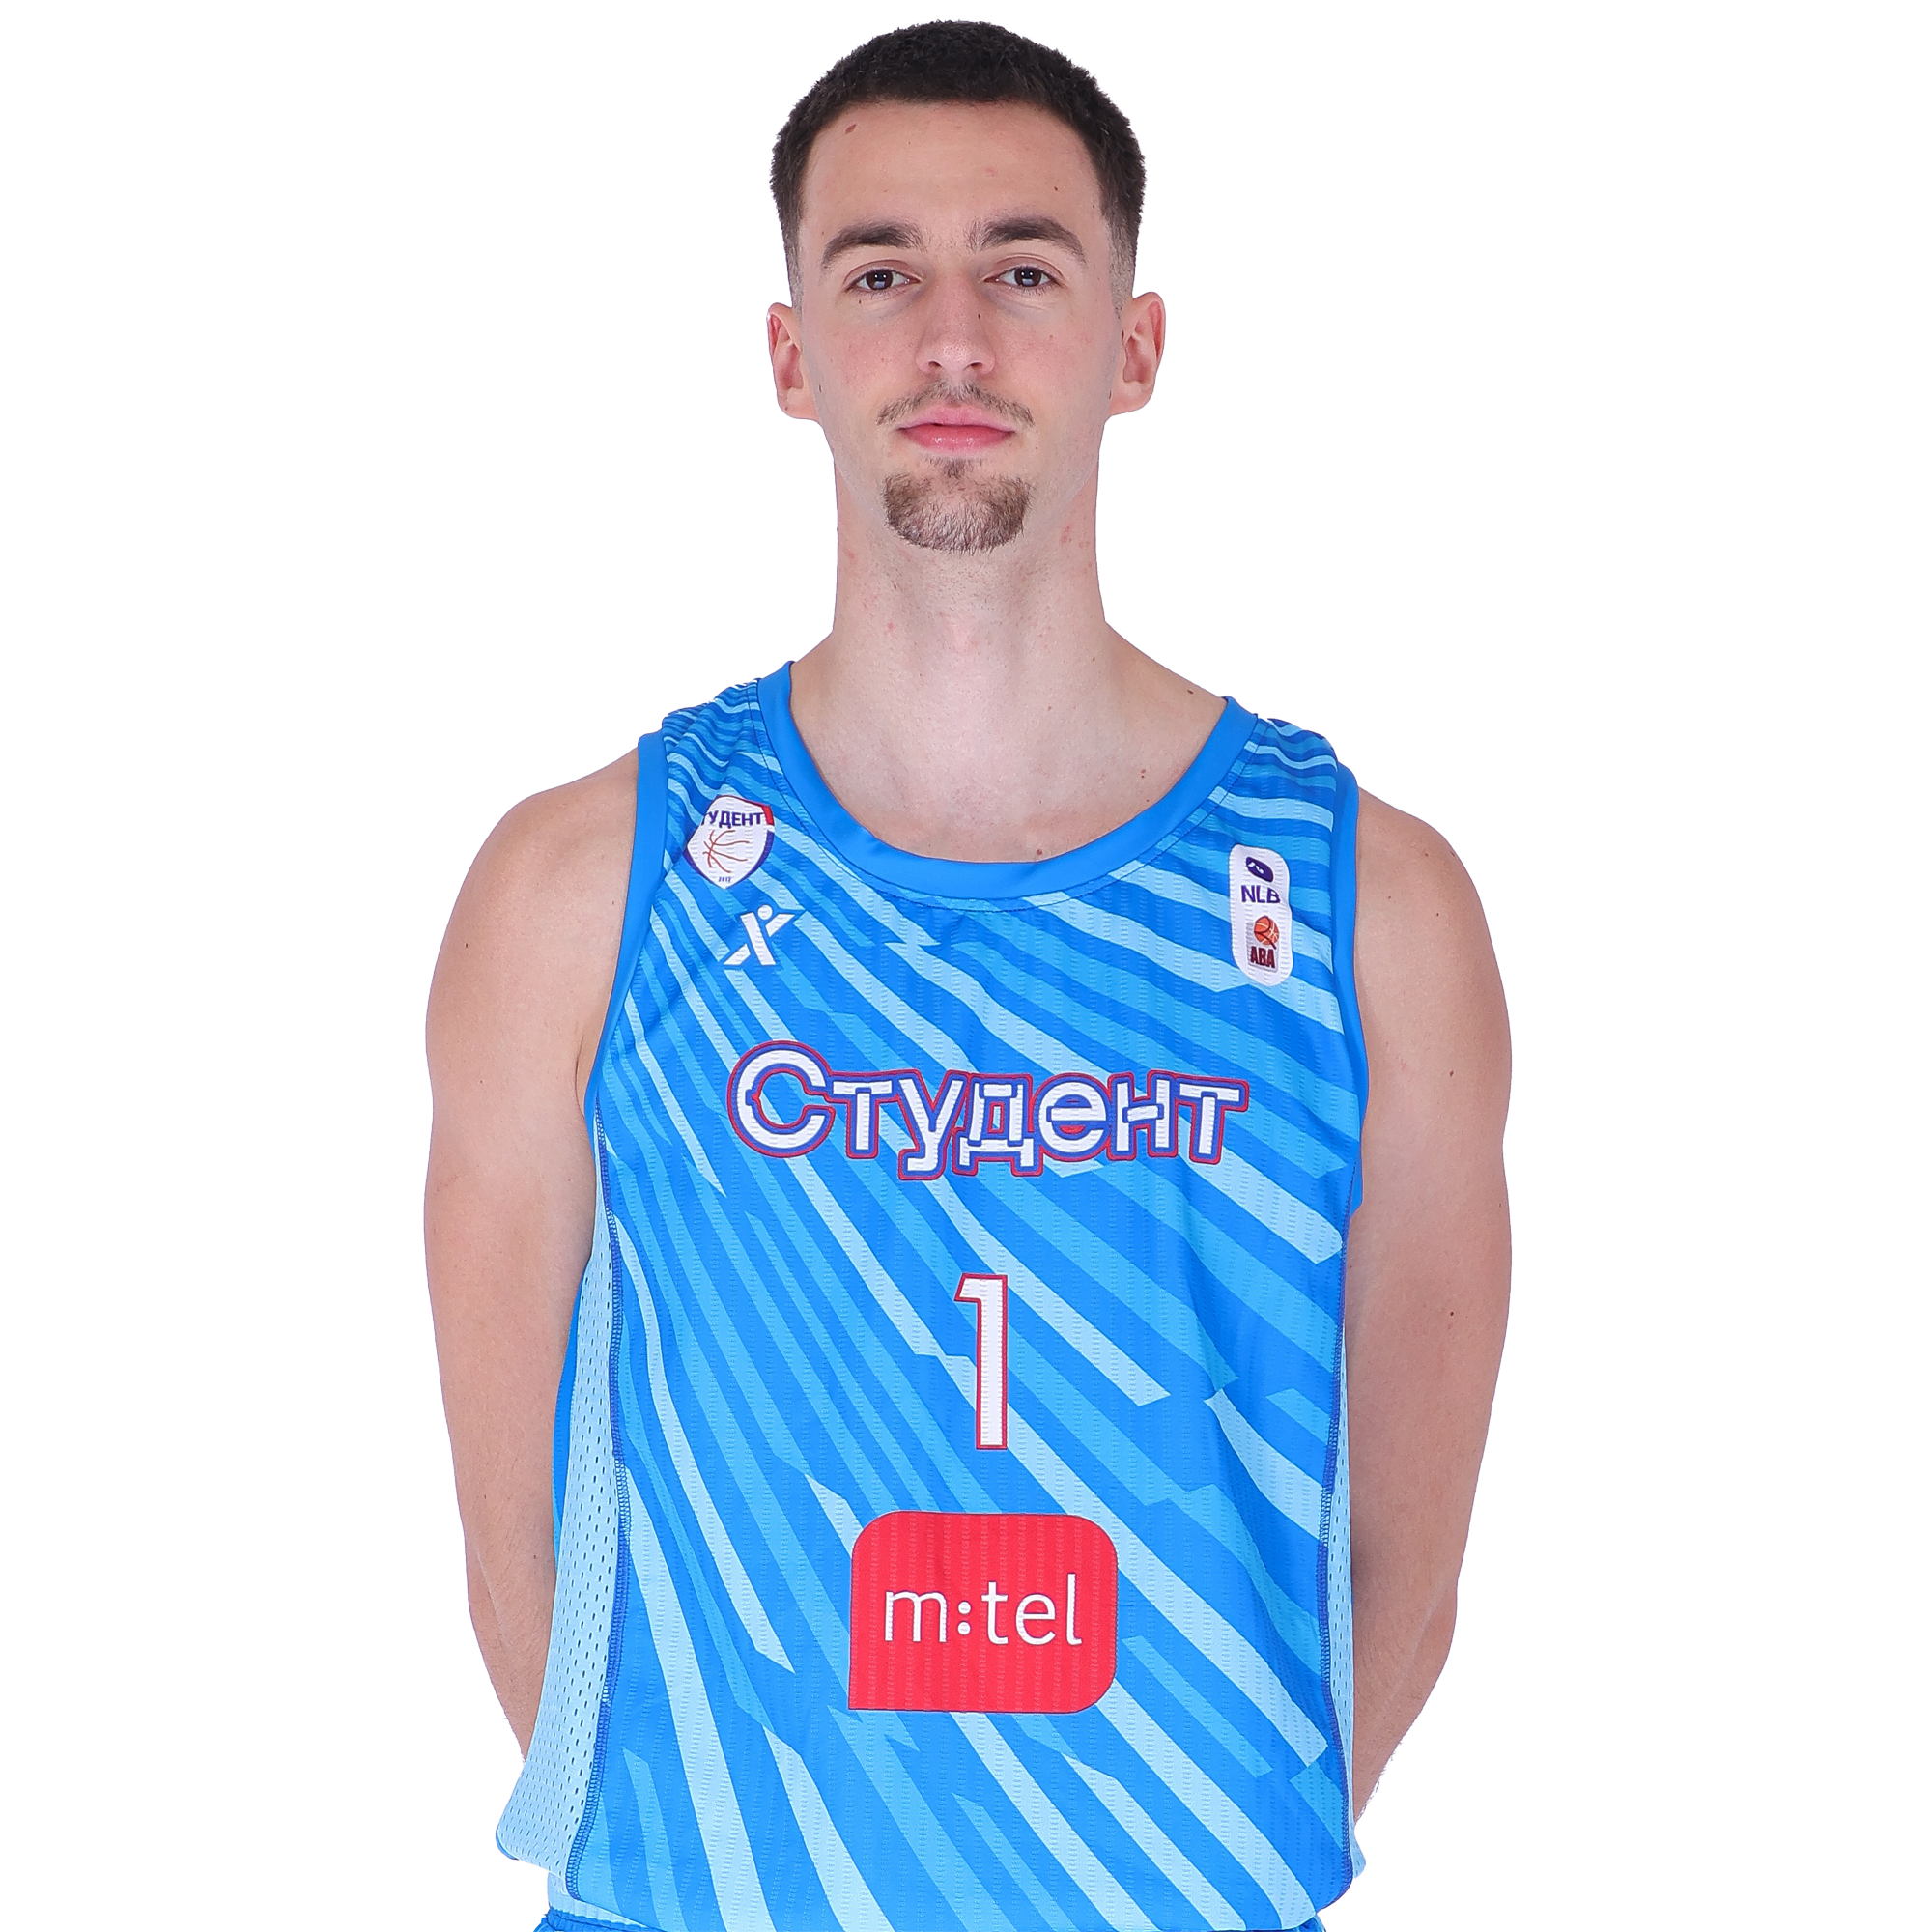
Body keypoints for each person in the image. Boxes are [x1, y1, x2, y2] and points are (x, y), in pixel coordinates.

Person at [426, 21, 1509, 1932]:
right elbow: (522, 1564)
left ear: (1134, 345)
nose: (951, 342)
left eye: (1021, 271)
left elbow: (1400, 1584)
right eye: (879, 276)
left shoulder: (1372, 908)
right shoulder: (579, 889)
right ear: (789, 355)